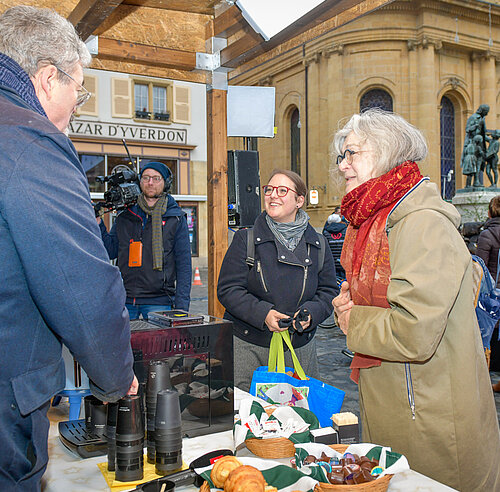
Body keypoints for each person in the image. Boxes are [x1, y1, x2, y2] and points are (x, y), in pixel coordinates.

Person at [0, 5, 137, 491]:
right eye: (78, 86)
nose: (79, 101)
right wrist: (117, 377)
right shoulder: (30, 142)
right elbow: (80, 285)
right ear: (44, 78)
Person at [332, 108, 500, 491]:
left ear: (387, 153)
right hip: (401, 401)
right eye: (342, 156)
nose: (343, 166)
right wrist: (351, 305)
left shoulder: (420, 222)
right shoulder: (380, 219)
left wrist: (352, 320)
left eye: (352, 153)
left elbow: (414, 332)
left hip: (429, 412)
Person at [217, 169, 338, 391]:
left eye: (282, 191)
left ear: (299, 200)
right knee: (249, 417)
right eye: (269, 189)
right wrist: (263, 314)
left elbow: (329, 291)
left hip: (299, 348)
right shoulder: (246, 239)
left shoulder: (318, 244)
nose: (273, 195)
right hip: (250, 348)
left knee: (299, 417)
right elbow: (228, 289)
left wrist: (311, 313)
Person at [99, 161, 192, 319]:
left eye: (156, 178)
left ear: (166, 183)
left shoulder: (175, 218)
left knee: (158, 344)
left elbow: (184, 265)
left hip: (160, 300)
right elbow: (110, 250)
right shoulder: (125, 215)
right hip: (125, 299)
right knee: (125, 344)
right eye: (146, 177)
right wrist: (99, 224)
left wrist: (182, 306)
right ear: (139, 181)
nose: (150, 182)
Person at [476, 195, 500, 386]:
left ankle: (483, 379)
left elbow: (480, 267)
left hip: (492, 294)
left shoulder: (487, 235)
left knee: (486, 337)